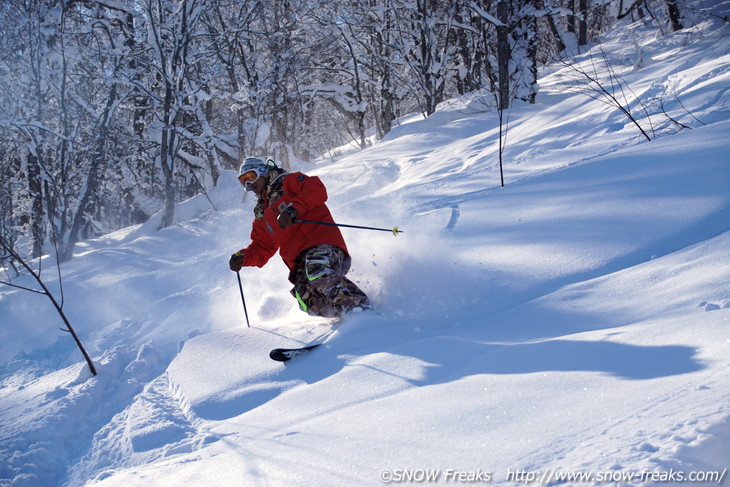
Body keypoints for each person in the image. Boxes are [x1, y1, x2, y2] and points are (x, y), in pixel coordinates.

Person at [229, 157, 370, 318]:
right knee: (306, 299)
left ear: (263, 171)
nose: (248, 184)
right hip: (298, 261)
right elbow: (262, 246)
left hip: (321, 244)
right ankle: (346, 318)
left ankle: (361, 308)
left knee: (317, 270)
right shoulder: (263, 213)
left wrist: (293, 210)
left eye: (250, 177)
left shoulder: (288, 182)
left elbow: (316, 188)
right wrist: (243, 258)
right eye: (243, 181)